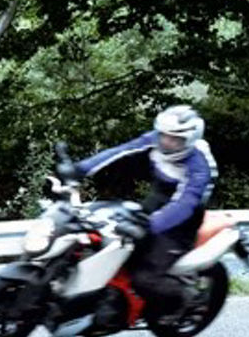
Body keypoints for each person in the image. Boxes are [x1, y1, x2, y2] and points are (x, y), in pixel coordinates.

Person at [67, 104, 218, 323]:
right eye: (164, 135)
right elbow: (121, 151)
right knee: (106, 242)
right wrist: (79, 169)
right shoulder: (156, 140)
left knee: (144, 279)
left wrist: (151, 225)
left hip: (179, 226)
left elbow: (185, 204)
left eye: (174, 139)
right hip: (153, 205)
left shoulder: (199, 166)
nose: (166, 141)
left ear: (190, 139)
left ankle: (181, 300)